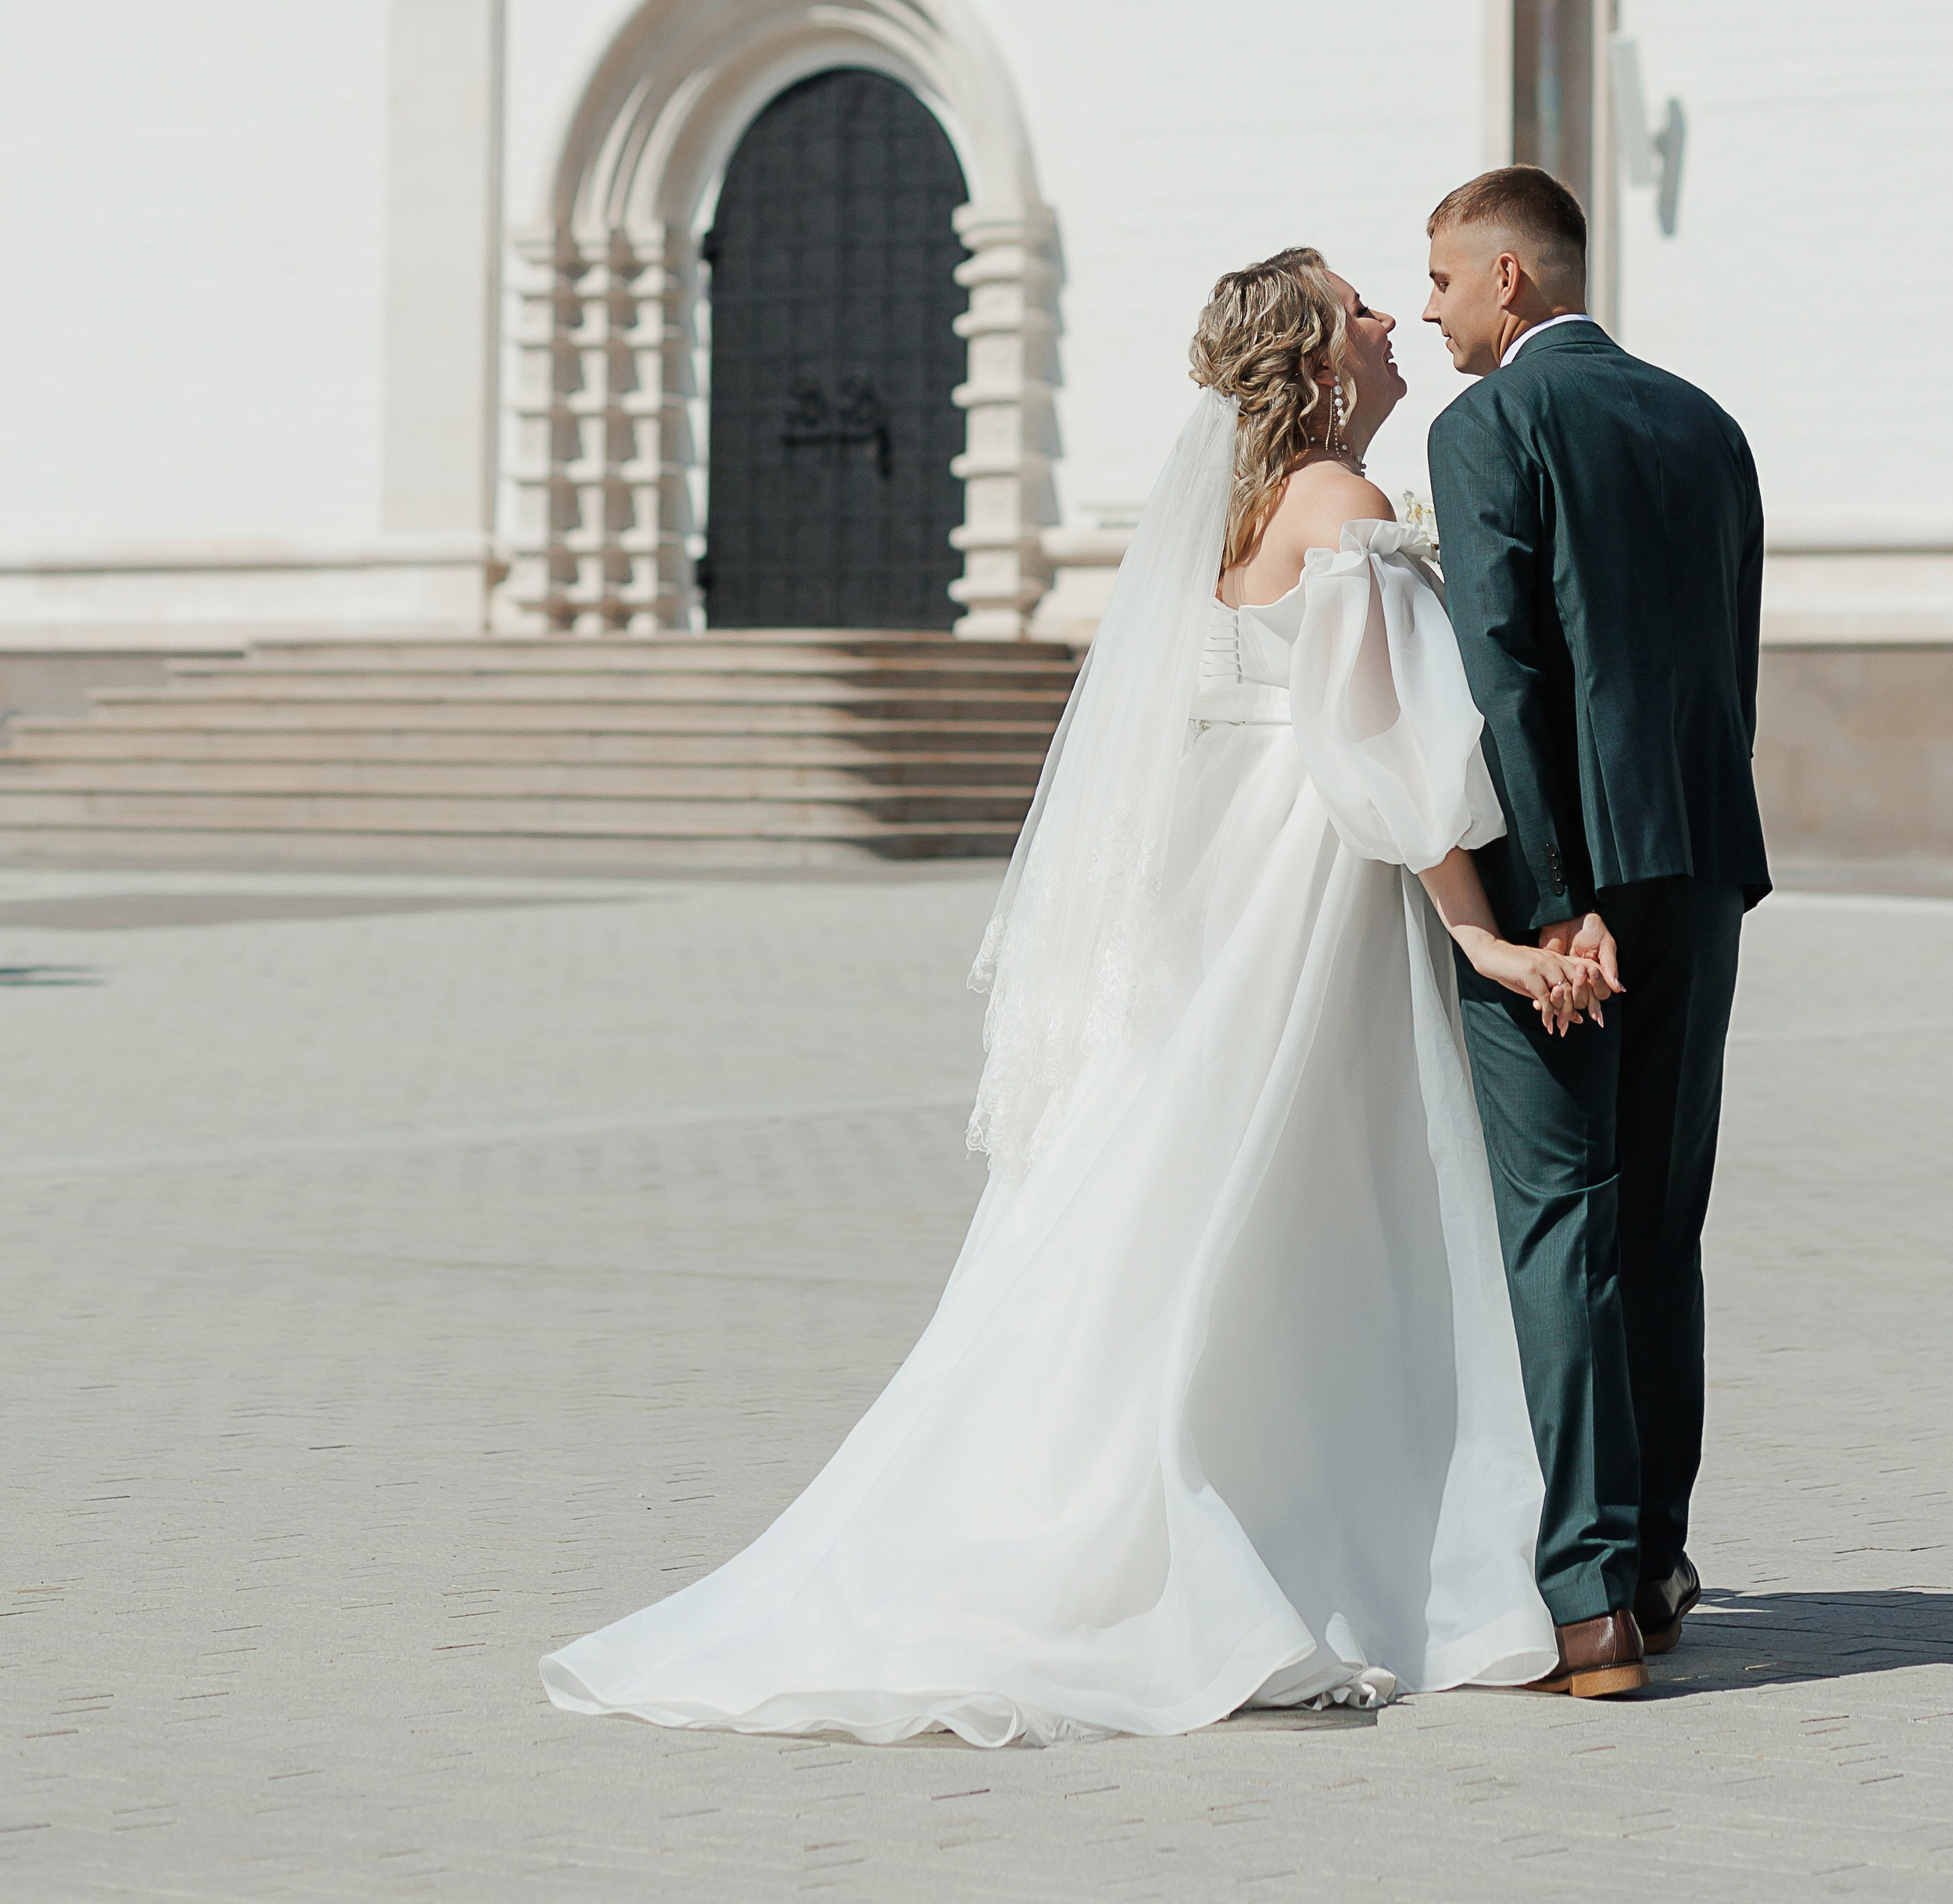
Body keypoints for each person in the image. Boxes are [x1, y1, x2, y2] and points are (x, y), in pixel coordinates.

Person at [540, 248, 1619, 1748]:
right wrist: (1485, 935)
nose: (1393, 322)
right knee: (1312, 1193)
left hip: (1216, 879)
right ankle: (1298, 1519)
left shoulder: (1231, 512)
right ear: (1320, 364)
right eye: (1364, 309)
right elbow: (1388, 748)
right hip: (1303, 890)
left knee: (1186, 1177)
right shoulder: (1342, 504)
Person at [1425, 166, 1769, 1701]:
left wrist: (1557, 896)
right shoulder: (1706, 424)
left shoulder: (1487, 425)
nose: (1430, 308)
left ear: (1507, 279)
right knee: (1659, 1224)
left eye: (1442, 279)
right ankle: (1652, 1569)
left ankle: (1584, 1602)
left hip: (1560, 884)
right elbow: (1727, 663)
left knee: (1565, 1215)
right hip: (1699, 864)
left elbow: (1501, 673)